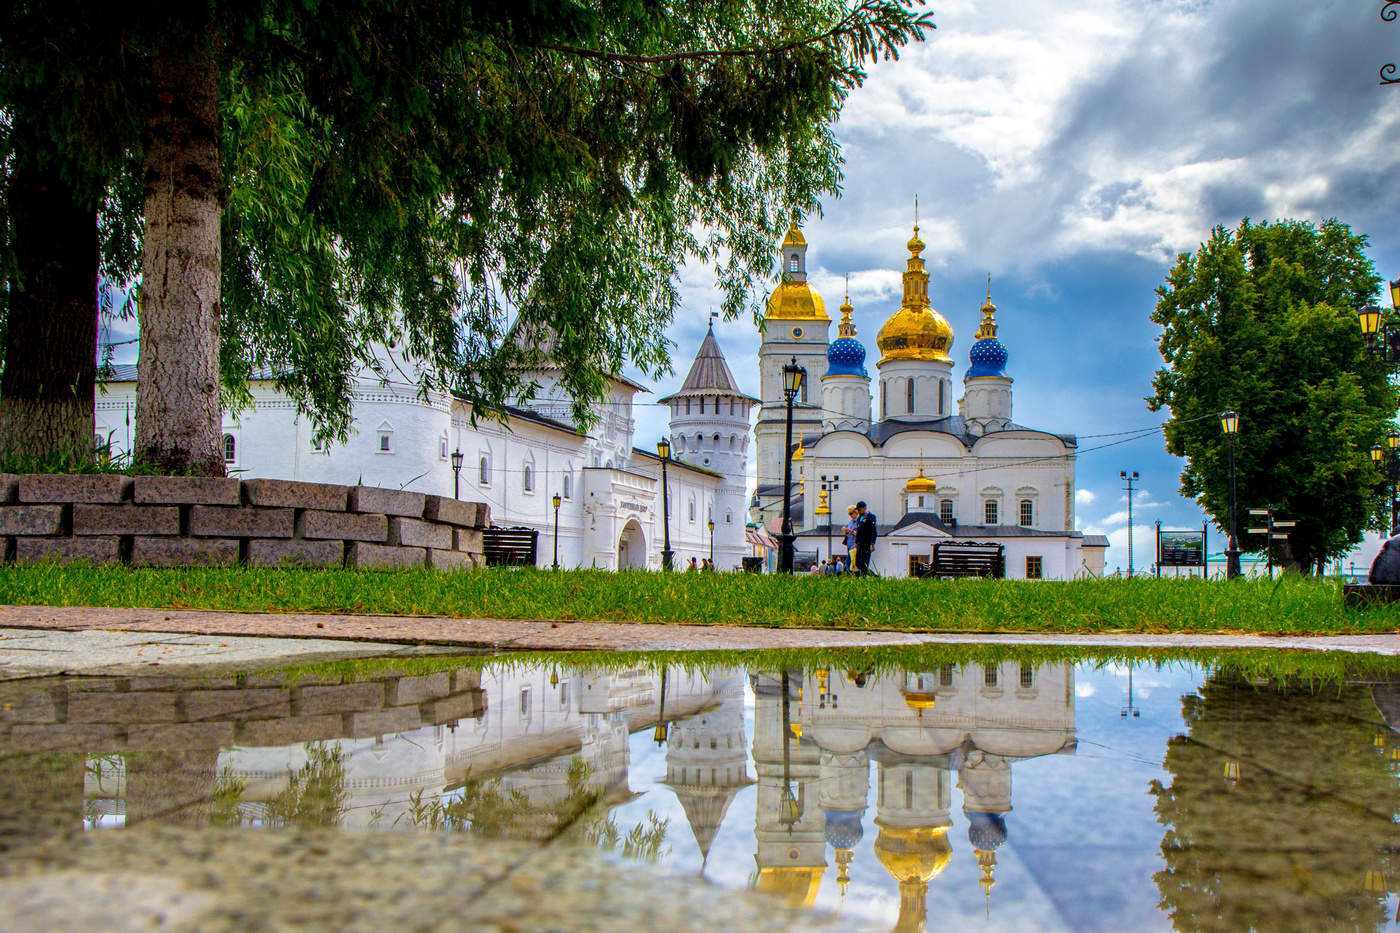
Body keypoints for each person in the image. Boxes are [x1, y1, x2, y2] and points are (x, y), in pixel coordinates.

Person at [854, 500, 878, 575]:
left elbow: (873, 531)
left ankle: (869, 577)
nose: (858, 511)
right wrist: (856, 542)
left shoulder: (871, 517)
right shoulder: (859, 518)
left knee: (864, 562)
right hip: (860, 543)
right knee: (858, 562)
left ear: (864, 508)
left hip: (867, 543)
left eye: (859, 509)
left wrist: (872, 543)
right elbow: (858, 531)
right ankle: (872, 575)